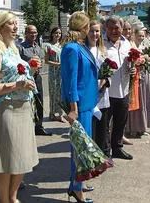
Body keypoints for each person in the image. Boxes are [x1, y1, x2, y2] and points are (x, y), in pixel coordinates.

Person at [0, 11, 39, 203]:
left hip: (22, 109)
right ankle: (4, 200)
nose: (16, 27)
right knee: (6, 160)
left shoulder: (13, 50)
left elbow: (15, 76)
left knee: (21, 158)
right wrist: (17, 85)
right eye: (11, 24)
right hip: (5, 109)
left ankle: (13, 197)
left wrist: (30, 72)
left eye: (16, 24)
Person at [61, 11, 98, 203]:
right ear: (83, 27)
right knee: (79, 148)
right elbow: (71, 81)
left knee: (83, 146)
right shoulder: (71, 49)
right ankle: (77, 189)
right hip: (80, 105)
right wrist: (73, 108)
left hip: (87, 103)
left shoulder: (79, 46)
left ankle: (77, 183)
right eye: (88, 26)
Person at [104, 16, 136, 160]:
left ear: (122, 29)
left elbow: (130, 62)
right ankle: (105, 151)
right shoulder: (101, 44)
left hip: (124, 89)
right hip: (107, 91)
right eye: (110, 28)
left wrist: (134, 69)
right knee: (105, 123)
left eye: (117, 28)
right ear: (106, 28)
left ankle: (117, 148)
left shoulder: (126, 43)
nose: (113, 31)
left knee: (120, 121)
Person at [19, 25, 52, 136]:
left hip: (37, 77)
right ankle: (26, 125)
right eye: (31, 32)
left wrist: (39, 65)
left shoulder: (38, 47)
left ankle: (39, 126)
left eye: (35, 32)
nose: (33, 35)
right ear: (26, 33)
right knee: (26, 102)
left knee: (39, 101)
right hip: (26, 78)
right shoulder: (21, 48)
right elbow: (18, 65)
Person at [85, 20, 110, 153]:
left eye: (97, 31)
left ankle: (101, 157)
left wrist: (105, 80)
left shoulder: (103, 50)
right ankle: (90, 158)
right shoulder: (83, 50)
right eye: (91, 31)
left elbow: (109, 69)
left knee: (102, 128)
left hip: (102, 95)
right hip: (88, 95)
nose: (94, 34)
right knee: (90, 129)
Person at [44, 27, 66, 123]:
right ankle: (52, 113)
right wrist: (57, 64)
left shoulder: (62, 46)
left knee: (60, 92)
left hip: (61, 72)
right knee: (53, 92)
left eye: (59, 33)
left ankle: (60, 114)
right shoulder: (48, 46)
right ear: (52, 34)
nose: (58, 35)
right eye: (56, 33)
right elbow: (46, 60)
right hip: (53, 72)